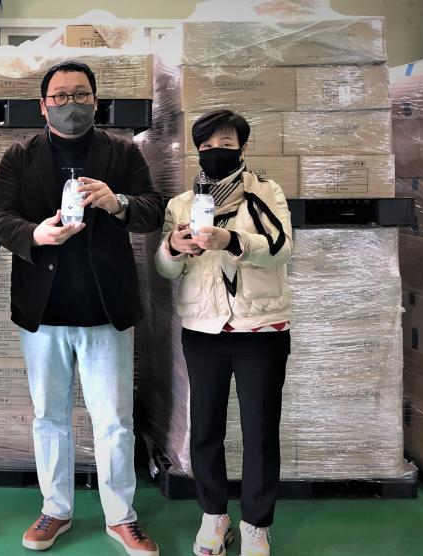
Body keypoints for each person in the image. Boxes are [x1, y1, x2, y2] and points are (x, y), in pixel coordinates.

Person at [0, 61, 165, 556]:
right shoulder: (19, 157)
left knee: (114, 420)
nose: (71, 104)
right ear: (43, 106)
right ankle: (56, 509)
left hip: (106, 311)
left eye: (81, 95)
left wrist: (117, 202)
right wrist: (35, 235)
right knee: (49, 416)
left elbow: (153, 209)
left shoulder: (122, 152)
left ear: (96, 101)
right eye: (61, 96)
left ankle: (121, 517)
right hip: (42, 312)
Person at [154, 110, 293, 556]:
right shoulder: (182, 204)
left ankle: (256, 524)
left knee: (260, 432)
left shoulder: (266, 192)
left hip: (260, 329)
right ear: (198, 151)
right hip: (203, 329)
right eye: (208, 146)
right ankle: (214, 516)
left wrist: (231, 241)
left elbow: (281, 248)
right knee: (205, 428)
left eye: (227, 144)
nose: (216, 152)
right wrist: (173, 247)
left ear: (243, 148)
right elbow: (165, 269)